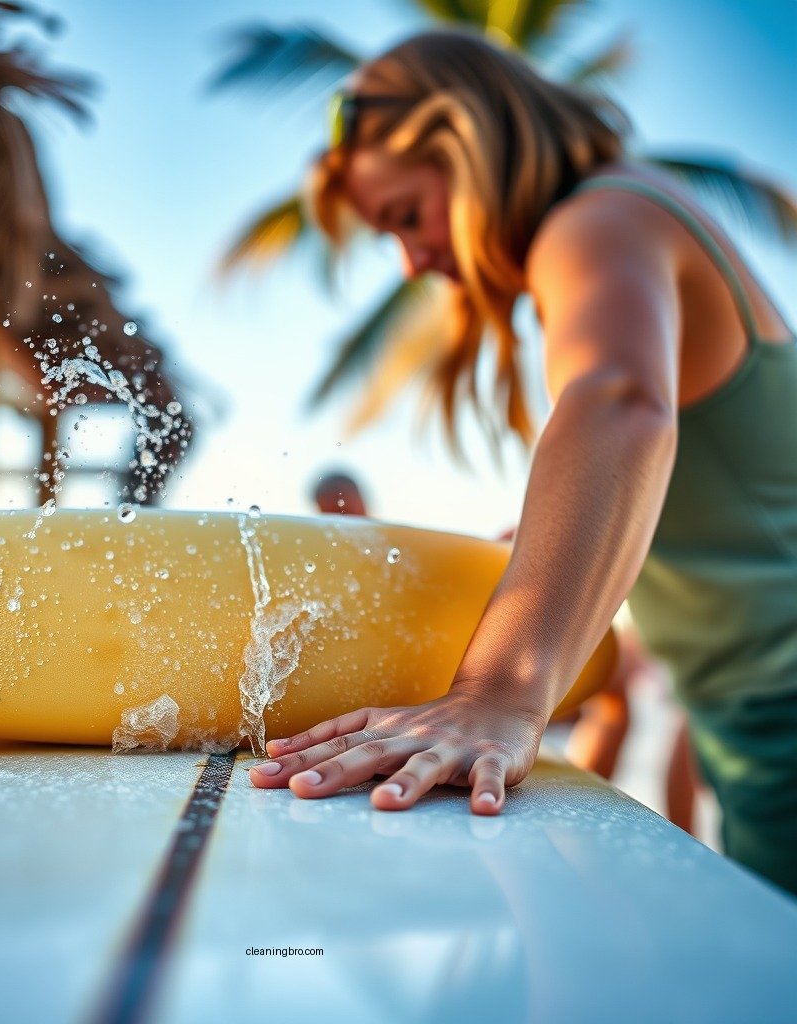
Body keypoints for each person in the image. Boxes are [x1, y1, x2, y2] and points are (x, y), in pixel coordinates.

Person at [248, 29, 797, 895]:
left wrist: (501, 690)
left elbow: (618, 405)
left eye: (406, 216)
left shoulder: (597, 219)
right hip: (754, 716)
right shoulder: (625, 214)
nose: (414, 260)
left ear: (466, 145)